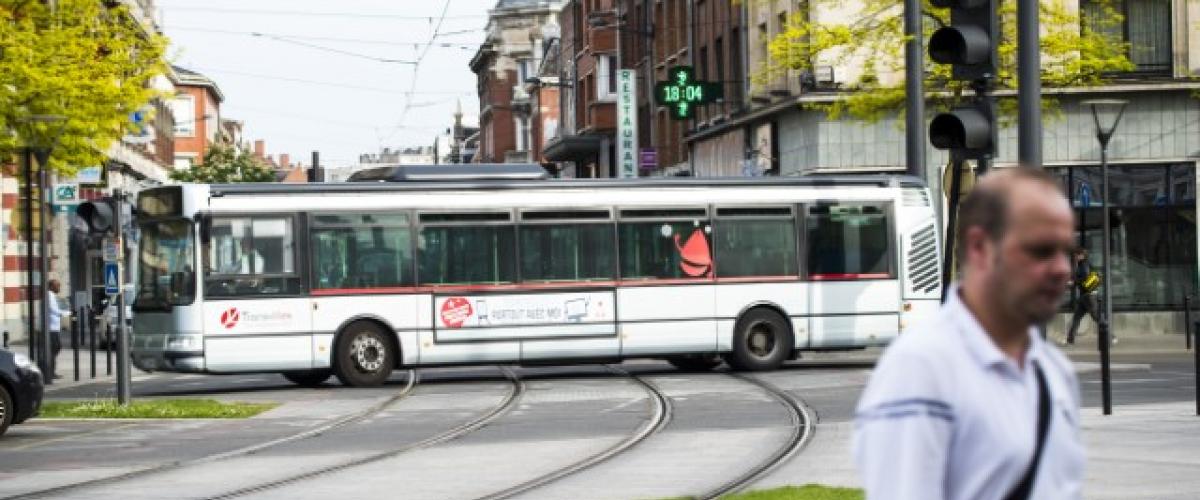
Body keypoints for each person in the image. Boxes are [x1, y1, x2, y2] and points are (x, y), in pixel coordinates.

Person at [853, 168, 1084, 500]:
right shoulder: (921, 369)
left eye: (1067, 251)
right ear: (979, 247)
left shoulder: (1053, 371)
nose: (1062, 268)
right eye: (1041, 250)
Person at [1065, 248, 1101, 345]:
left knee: (1097, 317)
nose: (1075, 257)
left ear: (1082, 255)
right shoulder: (1084, 264)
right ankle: (1070, 339)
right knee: (1077, 318)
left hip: (1089, 296)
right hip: (1084, 296)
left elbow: (1085, 277)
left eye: (1077, 255)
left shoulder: (1084, 264)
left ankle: (1110, 336)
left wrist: (1073, 282)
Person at [46, 279, 66, 379]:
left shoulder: (52, 296)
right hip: (51, 328)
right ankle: (50, 371)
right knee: (55, 348)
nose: (59, 288)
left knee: (56, 348)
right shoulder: (49, 295)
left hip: (54, 327)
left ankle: (50, 370)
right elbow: (53, 309)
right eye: (57, 286)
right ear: (51, 286)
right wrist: (63, 313)